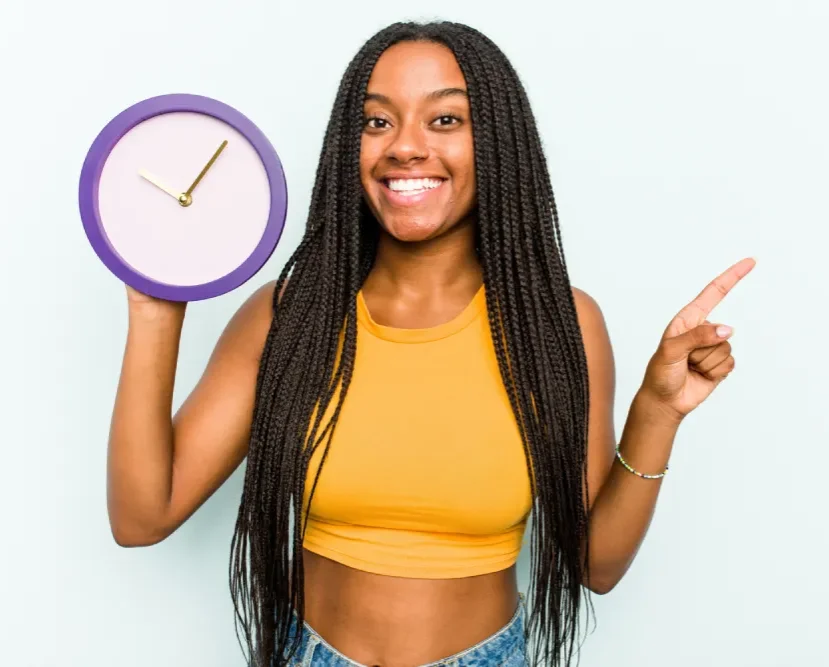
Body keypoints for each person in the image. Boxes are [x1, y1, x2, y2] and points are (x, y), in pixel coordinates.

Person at [106, 20, 754, 667]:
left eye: (444, 120)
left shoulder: (557, 323)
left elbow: (595, 565)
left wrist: (657, 411)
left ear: (496, 141)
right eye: (376, 121)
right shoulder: (288, 316)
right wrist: (155, 303)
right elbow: (143, 516)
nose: (405, 147)